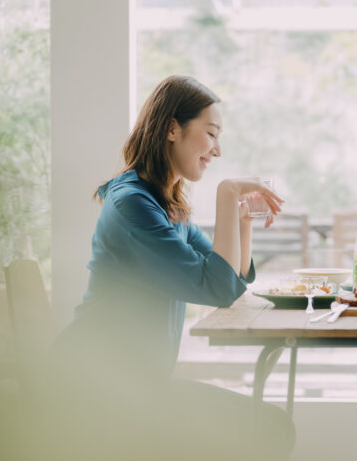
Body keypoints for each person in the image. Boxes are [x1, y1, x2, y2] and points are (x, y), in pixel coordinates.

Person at [49, 75, 294, 461]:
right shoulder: (133, 204)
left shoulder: (163, 203)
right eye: (211, 133)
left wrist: (244, 219)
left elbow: (230, 277)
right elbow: (219, 287)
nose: (217, 149)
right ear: (171, 128)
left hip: (136, 384)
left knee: (272, 425)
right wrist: (227, 192)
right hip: (95, 387)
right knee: (262, 429)